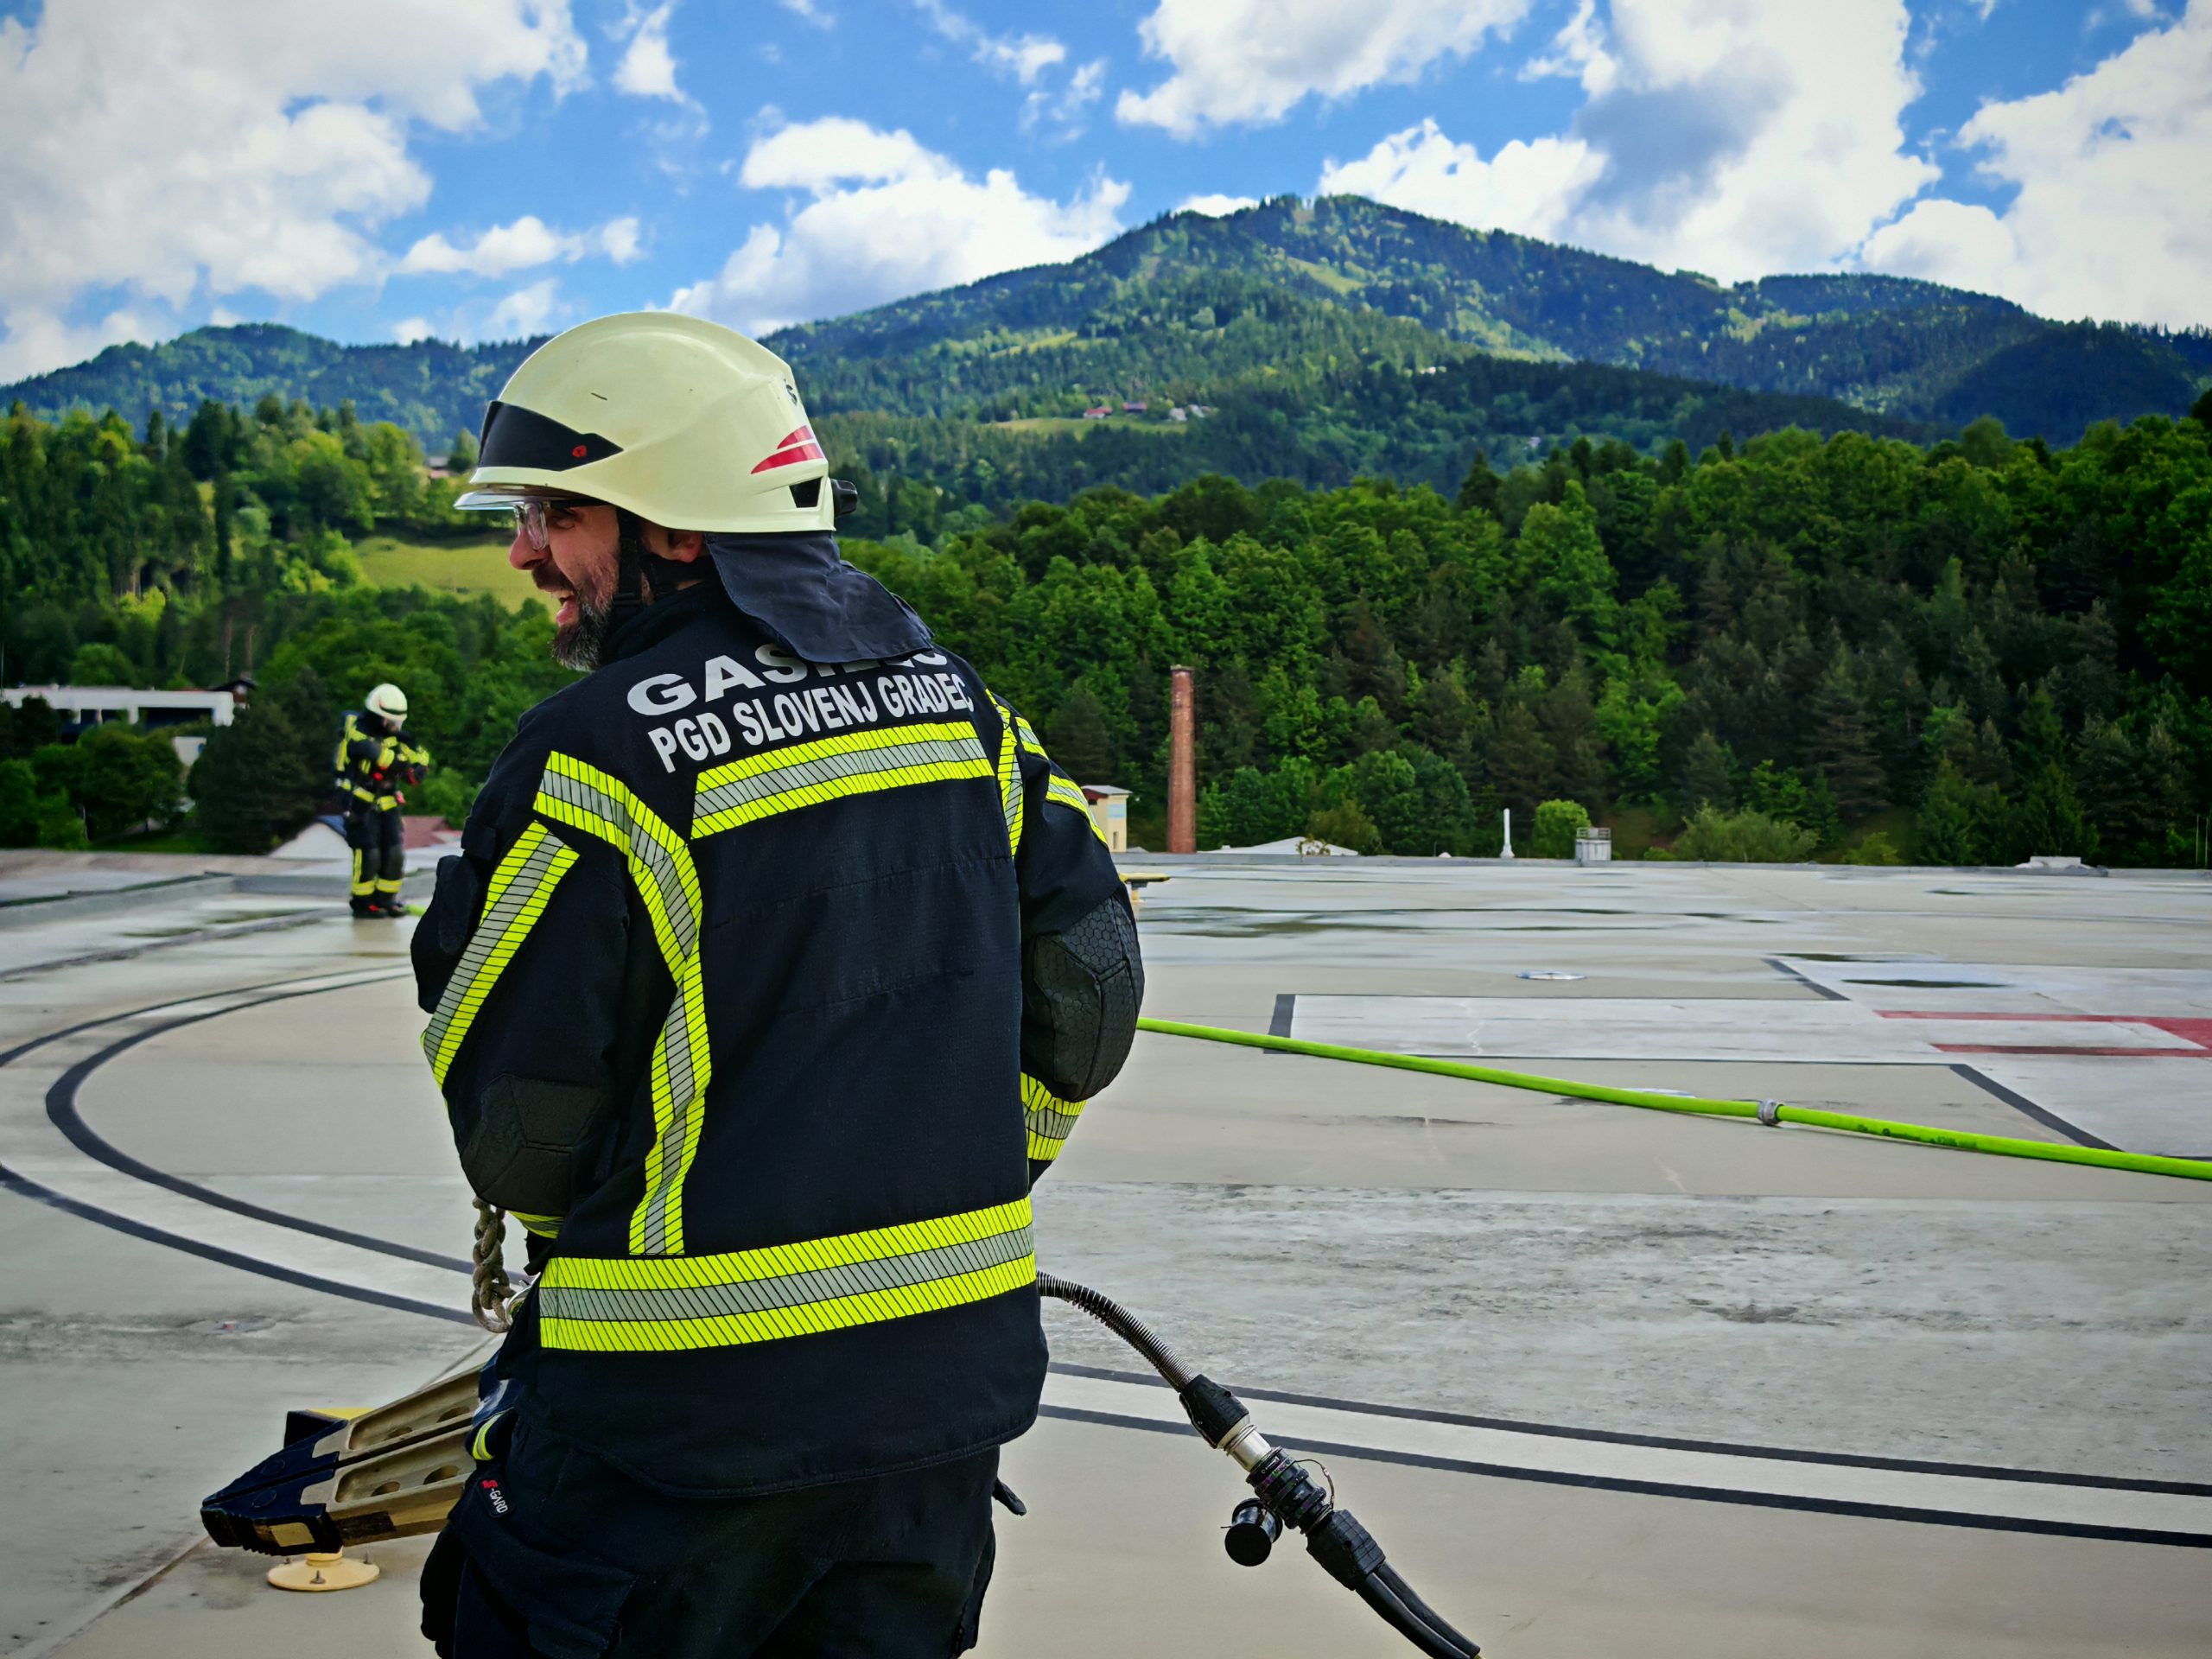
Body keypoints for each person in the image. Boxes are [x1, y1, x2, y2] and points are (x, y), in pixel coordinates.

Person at [411, 312, 1142, 1657]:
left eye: (557, 514)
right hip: (932, 1426)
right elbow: (1092, 994)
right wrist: (972, 1168)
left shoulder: (594, 757)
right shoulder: (962, 709)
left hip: (669, 1442)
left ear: (677, 531)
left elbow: (517, 1132)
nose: (524, 553)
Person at [337, 682, 429, 918]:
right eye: (391, 721)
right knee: (369, 855)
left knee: (394, 855)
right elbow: (370, 751)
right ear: (377, 716)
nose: (395, 726)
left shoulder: (397, 737)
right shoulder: (357, 731)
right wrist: (395, 761)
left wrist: (417, 767)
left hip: (388, 802)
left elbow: (419, 755)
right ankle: (362, 902)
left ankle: (387, 900)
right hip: (360, 803)